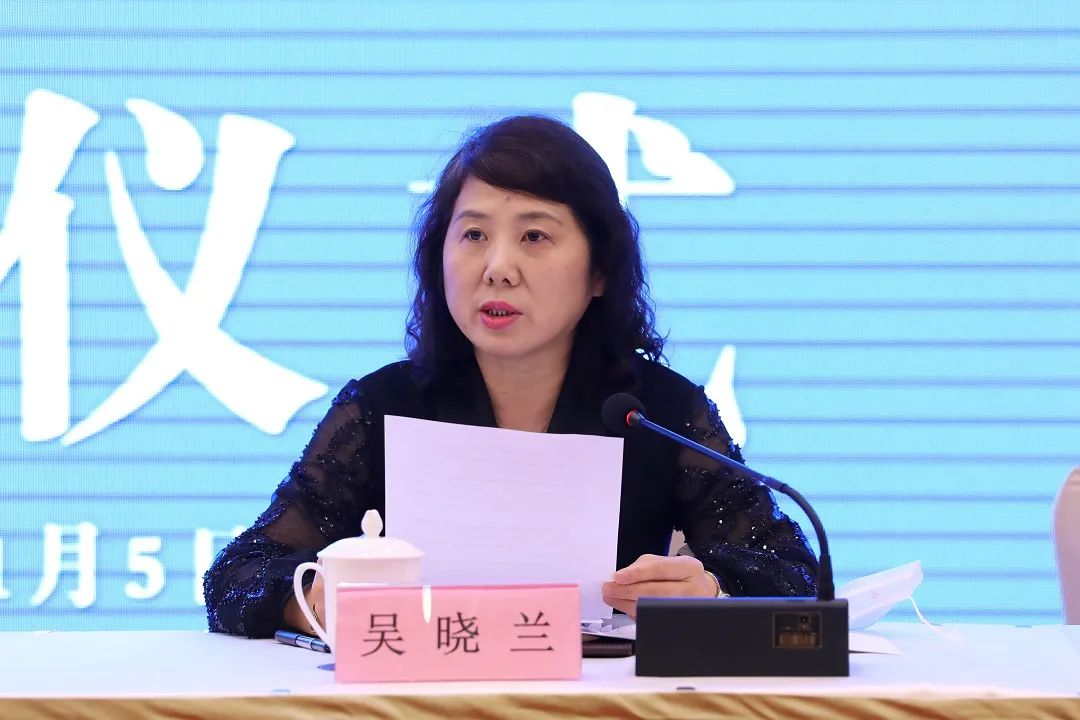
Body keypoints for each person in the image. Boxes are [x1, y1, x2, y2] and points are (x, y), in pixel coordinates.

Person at [204, 115, 817, 638]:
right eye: (473, 234)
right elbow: (236, 575)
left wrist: (710, 595)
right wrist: (318, 601)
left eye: (534, 236)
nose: (498, 268)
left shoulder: (657, 411)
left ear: (599, 270)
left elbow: (797, 577)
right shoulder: (385, 404)